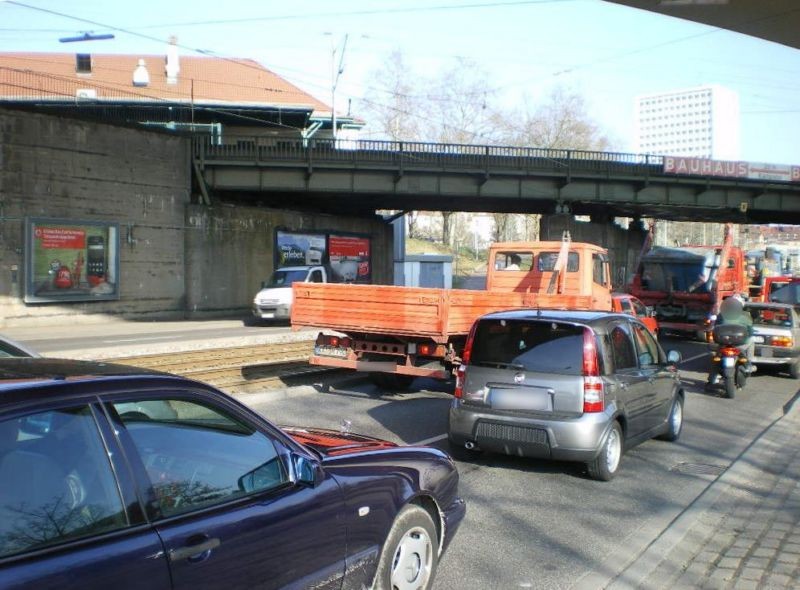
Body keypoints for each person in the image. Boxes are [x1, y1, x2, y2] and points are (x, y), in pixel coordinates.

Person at [706, 294, 754, 389]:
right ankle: (749, 363)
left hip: (723, 343)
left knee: (715, 359)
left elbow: (715, 326)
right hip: (740, 344)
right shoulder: (746, 315)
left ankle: (712, 379)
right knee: (752, 340)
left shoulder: (722, 314)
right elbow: (751, 331)